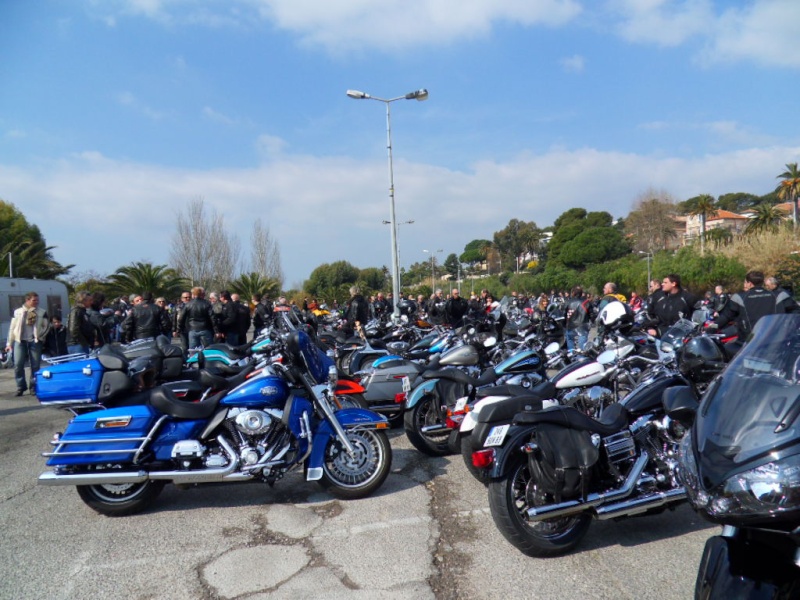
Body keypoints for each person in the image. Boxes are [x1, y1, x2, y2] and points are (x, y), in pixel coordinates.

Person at [712, 270, 798, 354]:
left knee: (726, 350)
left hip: (750, 343)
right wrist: (789, 328)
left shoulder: (739, 298)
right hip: (776, 343)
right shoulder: (779, 295)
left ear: (749, 283)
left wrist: (712, 327)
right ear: (762, 282)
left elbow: (726, 316)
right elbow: (796, 312)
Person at [5, 291, 50, 396]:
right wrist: (9, 343)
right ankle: (21, 386)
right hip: (20, 341)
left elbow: (46, 326)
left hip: (34, 341)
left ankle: (33, 387)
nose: (36, 302)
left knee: (35, 365)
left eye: (37, 300)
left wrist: (40, 336)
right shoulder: (18, 312)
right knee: (18, 364)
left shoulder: (42, 312)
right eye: (34, 300)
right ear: (27, 300)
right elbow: (12, 327)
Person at [564, 286, 592, 352]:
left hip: (570, 326)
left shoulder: (568, 302)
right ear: (581, 293)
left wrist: (564, 324)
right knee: (582, 349)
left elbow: (564, 315)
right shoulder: (586, 302)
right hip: (583, 327)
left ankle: (572, 356)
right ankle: (581, 358)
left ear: (573, 293)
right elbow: (592, 314)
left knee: (570, 343)